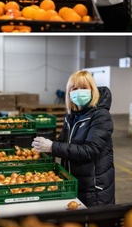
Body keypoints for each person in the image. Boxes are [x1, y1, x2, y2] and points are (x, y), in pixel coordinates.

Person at [32, 70, 115, 207]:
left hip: (93, 188)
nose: (78, 92)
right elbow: (64, 142)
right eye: (74, 88)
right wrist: (43, 145)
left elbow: (90, 150)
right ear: (69, 93)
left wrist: (52, 147)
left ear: (92, 90)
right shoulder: (71, 115)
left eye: (84, 88)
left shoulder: (101, 116)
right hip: (73, 180)